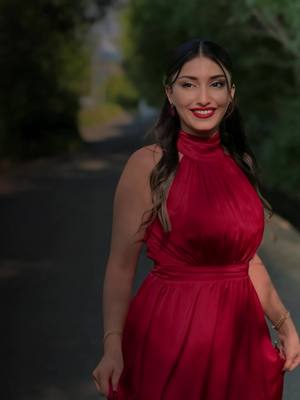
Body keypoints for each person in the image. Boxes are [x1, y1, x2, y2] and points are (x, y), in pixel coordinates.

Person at [92, 38, 300, 399]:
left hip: (241, 340)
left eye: (215, 83)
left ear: (231, 93)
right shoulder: (148, 165)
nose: (203, 98)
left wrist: (284, 322)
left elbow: (245, 258)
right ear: (169, 94)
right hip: (170, 335)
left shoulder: (242, 164)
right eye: (188, 84)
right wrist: (113, 346)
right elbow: (120, 267)